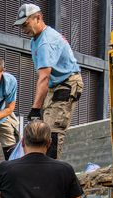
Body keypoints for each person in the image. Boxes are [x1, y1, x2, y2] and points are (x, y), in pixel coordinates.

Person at [15, 3, 83, 159]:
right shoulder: (36, 39)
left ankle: (51, 170)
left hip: (67, 82)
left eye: (25, 24)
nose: (23, 29)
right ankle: (41, 166)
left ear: (38, 18)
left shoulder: (46, 42)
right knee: (43, 128)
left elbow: (44, 77)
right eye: (20, 26)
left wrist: (35, 108)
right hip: (55, 84)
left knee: (52, 130)